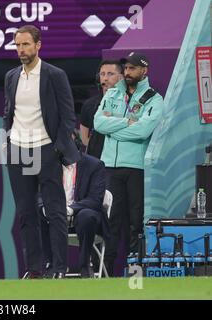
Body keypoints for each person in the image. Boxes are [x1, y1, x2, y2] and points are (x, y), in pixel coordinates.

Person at [3, 25, 80, 279]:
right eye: (17, 45)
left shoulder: (54, 75)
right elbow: (9, 112)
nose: (21, 50)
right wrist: (8, 140)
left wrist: (57, 147)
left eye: (26, 44)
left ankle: (59, 267)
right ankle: (34, 269)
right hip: (18, 151)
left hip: (46, 149)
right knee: (26, 213)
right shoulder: (11, 76)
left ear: (38, 45)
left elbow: (68, 116)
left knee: (55, 210)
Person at [93, 52, 164, 275]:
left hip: (135, 168)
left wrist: (114, 132)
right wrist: (126, 122)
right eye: (126, 68)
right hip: (110, 168)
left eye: (133, 68)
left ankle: (136, 274)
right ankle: (106, 273)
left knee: (136, 222)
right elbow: (98, 124)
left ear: (144, 71)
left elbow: (143, 130)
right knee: (111, 222)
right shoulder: (113, 93)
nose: (128, 72)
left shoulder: (154, 99)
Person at [39, 133, 110, 278]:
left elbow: (95, 200)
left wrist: (71, 209)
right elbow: (40, 194)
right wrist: (47, 207)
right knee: (40, 211)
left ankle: (85, 266)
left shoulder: (95, 165)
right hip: (57, 217)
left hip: (82, 215)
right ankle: (53, 266)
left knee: (86, 216)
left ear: (76, 145)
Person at [80, 60, 123, 159]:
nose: (105, 78)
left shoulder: (127, 103)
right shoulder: (89, 105)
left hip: (119, 159)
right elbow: (84, 139)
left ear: (121, 77)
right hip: (96, 160)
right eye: (102, 74)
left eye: (110, 74)